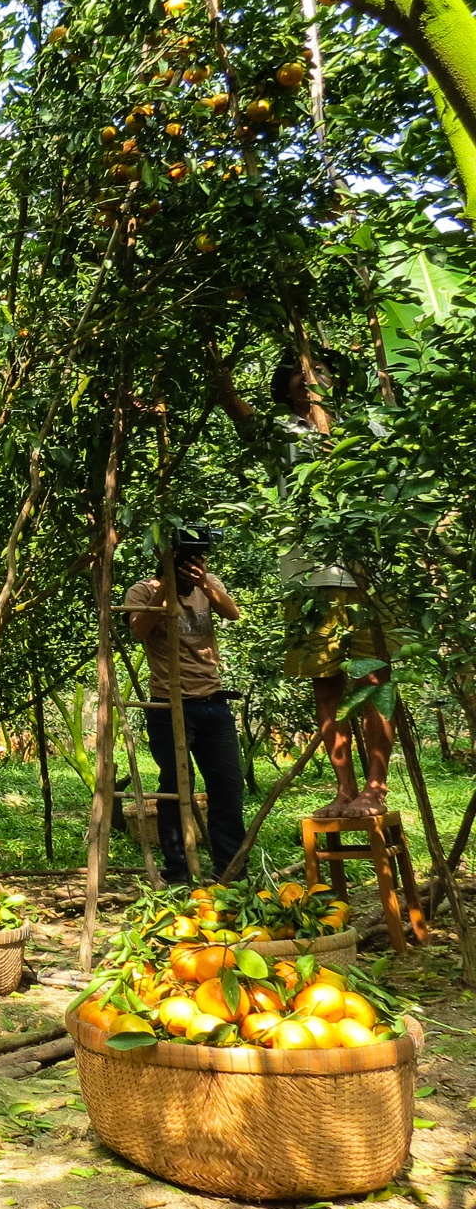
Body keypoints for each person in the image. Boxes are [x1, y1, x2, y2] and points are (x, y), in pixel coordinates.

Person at [273, 362, 397, 818]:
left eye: (320, 375)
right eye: (301, 380)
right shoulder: (280, 434)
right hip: (309, 578)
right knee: (326, 685)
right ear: (289, 392)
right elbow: (239, 414)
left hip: (368, 574)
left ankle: (375, 788)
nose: (312, 385)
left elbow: (393, 472)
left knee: (373, 679)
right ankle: (344, 789)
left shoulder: (368, 426)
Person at [125, 533, 245, 881]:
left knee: (228, 788)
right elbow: (139, 630)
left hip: (213, 701)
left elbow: (232, 613)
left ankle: (232, 871)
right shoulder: (142, 591)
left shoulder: (209, 584)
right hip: (168, 704)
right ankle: (178, 872)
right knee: (175, 787)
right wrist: (165, 587)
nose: (190, 567)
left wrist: (204, 583)